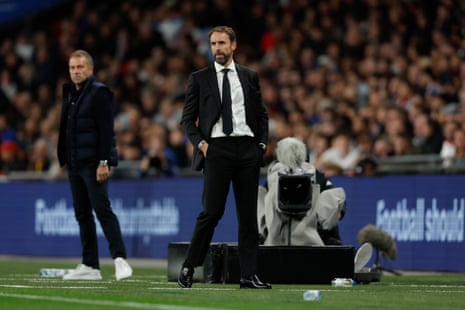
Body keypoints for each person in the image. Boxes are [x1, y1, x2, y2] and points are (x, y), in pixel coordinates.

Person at [179, 26, 271, 289]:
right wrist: (202, 145)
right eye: (213, 44)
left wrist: (261, 145)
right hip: (216, 150)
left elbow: (261, 115)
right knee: (211, 212)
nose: (217, 48)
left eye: (222, 43)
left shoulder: (250, 76)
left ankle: (248, 275)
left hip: (247, 150)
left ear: (233, 45)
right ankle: (189, 265)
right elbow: (187, 119)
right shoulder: (199, 78)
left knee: (248, 217)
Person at [57, 50, 132, 280]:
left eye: (80, 67)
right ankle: (90, 265)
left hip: (93, 164)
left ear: (90, 69)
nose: (76, 72)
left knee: (102, 211)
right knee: (82, 215)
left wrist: (104, 162)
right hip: (75, 164)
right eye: (72, 68)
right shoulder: (70, 94)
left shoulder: (99, 93)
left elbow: (106, 132)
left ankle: (120, 260)